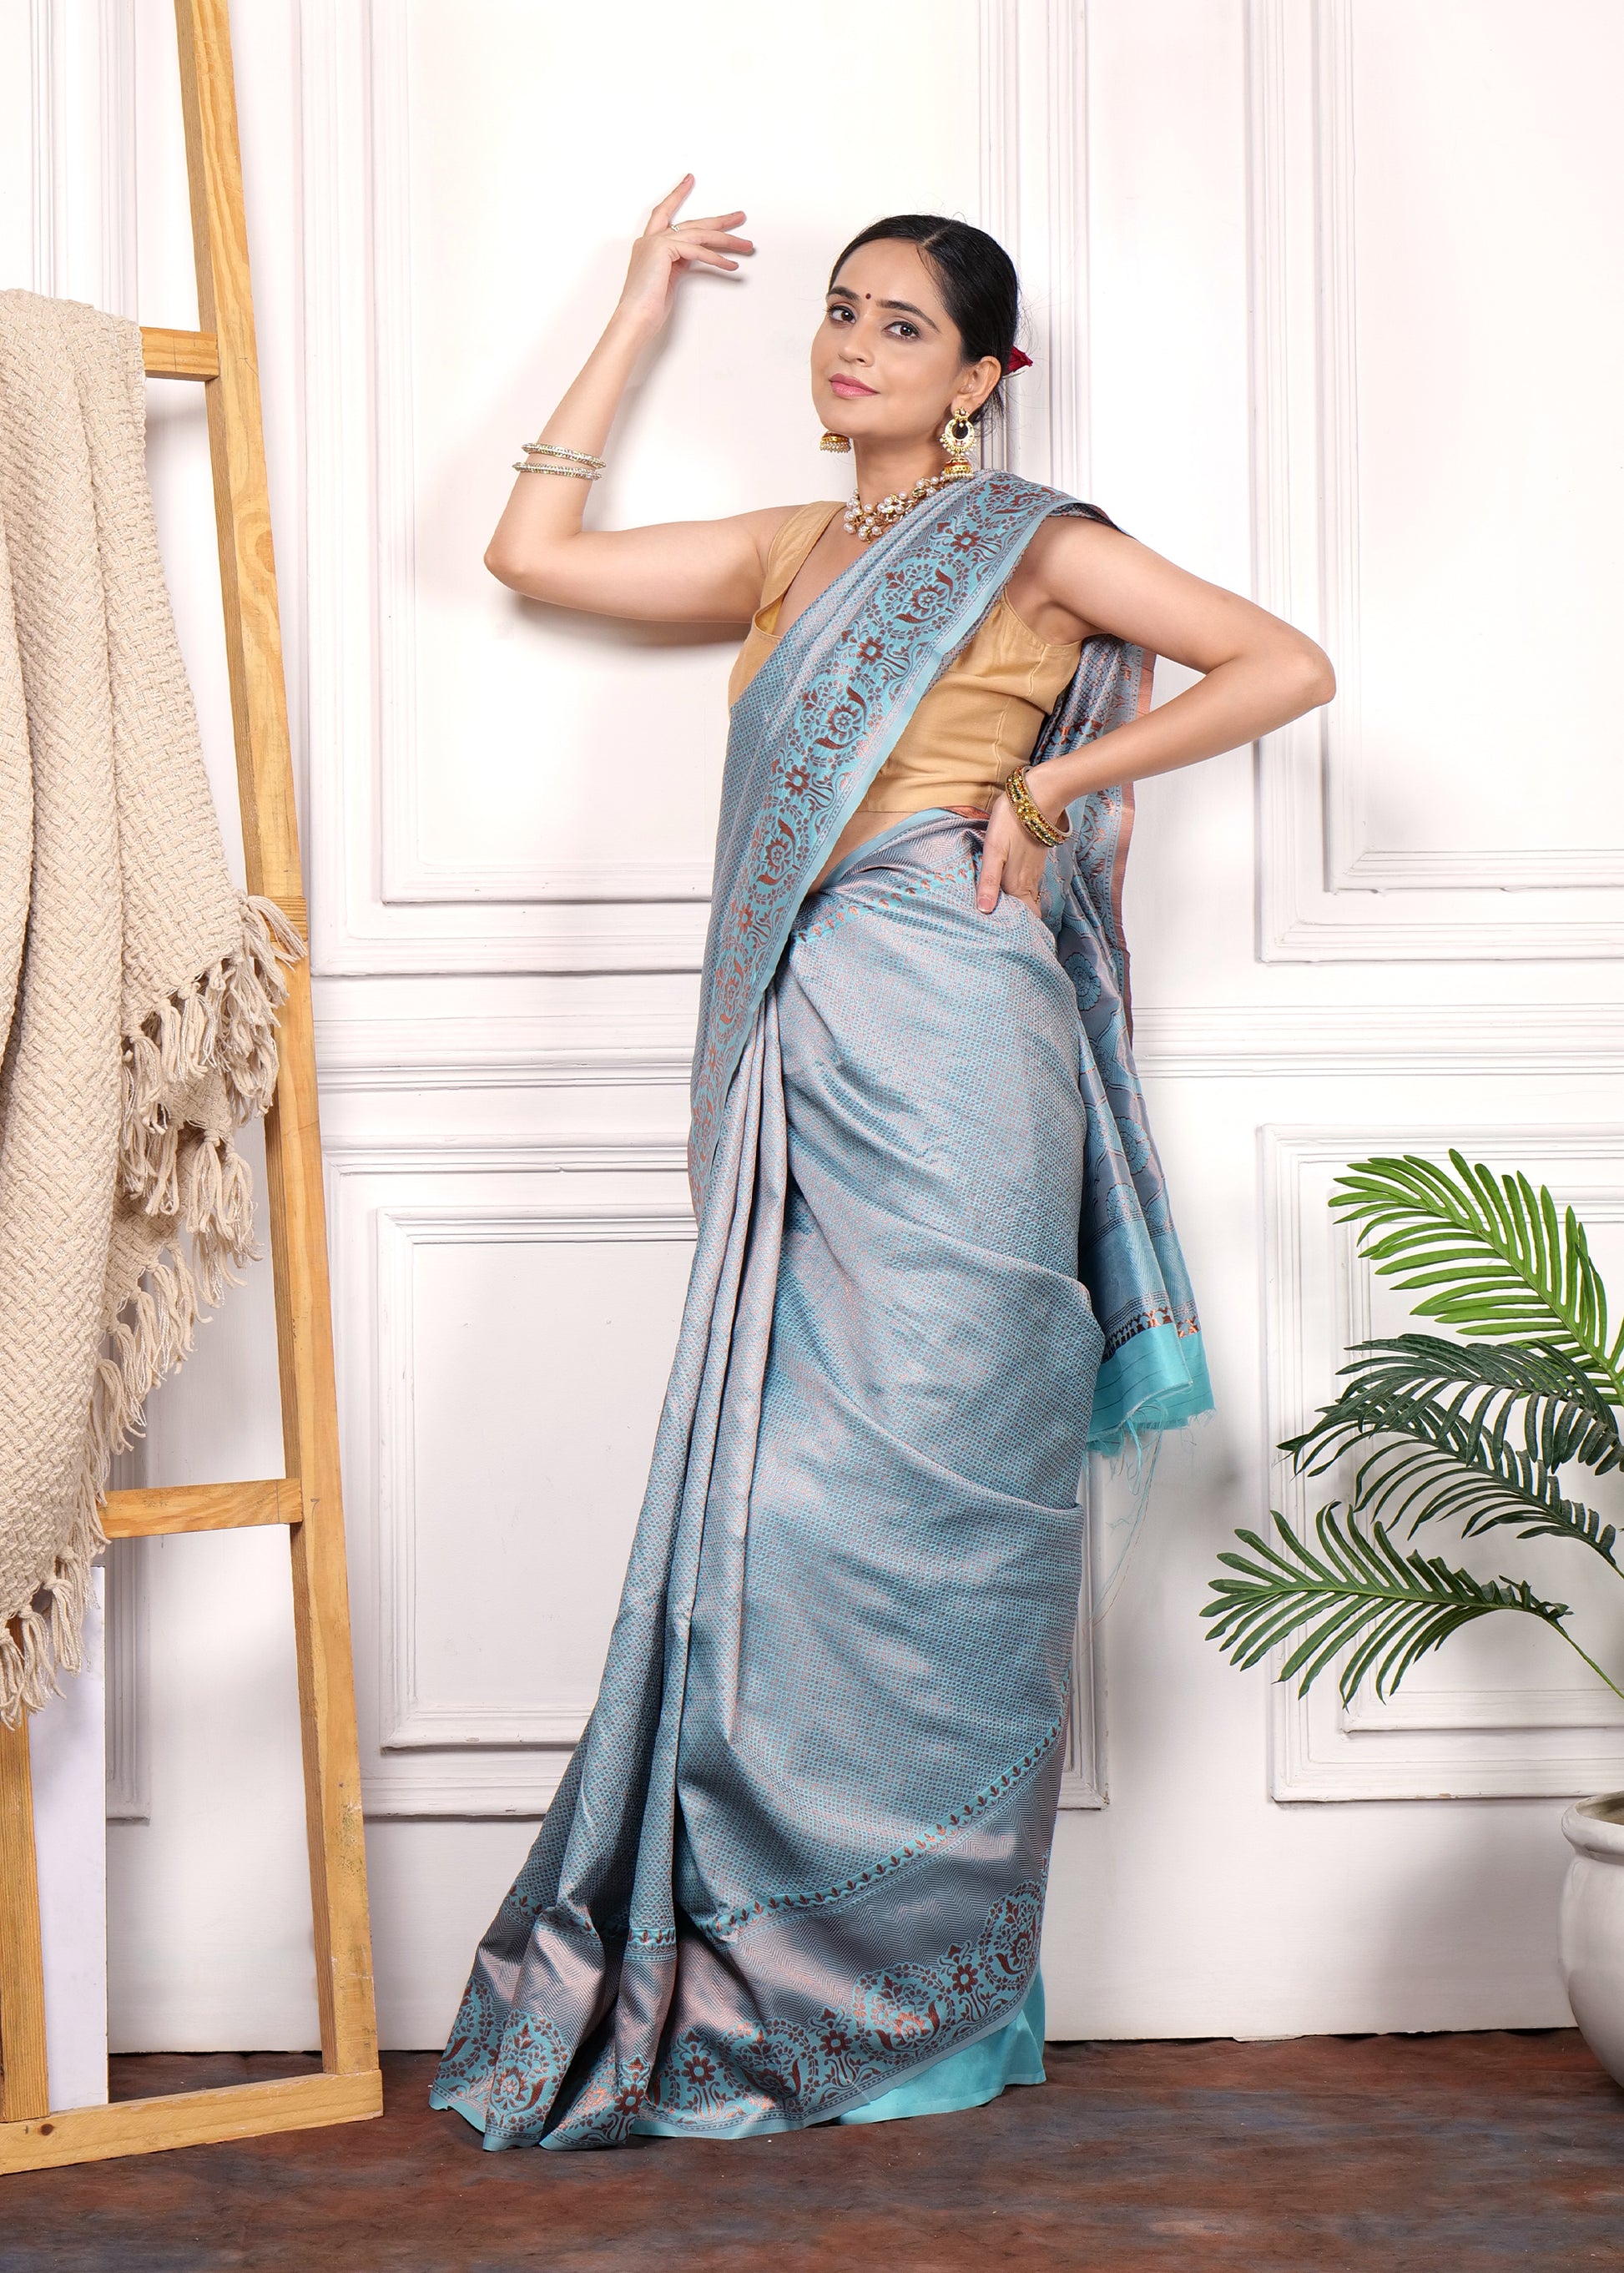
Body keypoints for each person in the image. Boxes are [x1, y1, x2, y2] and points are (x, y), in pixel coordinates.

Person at [430, 182, 1334, 2151]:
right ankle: (778, 1965)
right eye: (839, 314)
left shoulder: (1039, 546)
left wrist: (1051, 786)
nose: (852, 345)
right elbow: (533, 549)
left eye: (903, 325)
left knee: (936, 1502)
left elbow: (1281, 664)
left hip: (957, 1029)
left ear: (985, 377)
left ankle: (933, 1995)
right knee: (783, 1523)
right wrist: (634, 296)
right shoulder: (784, 549)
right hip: (803, 1026)